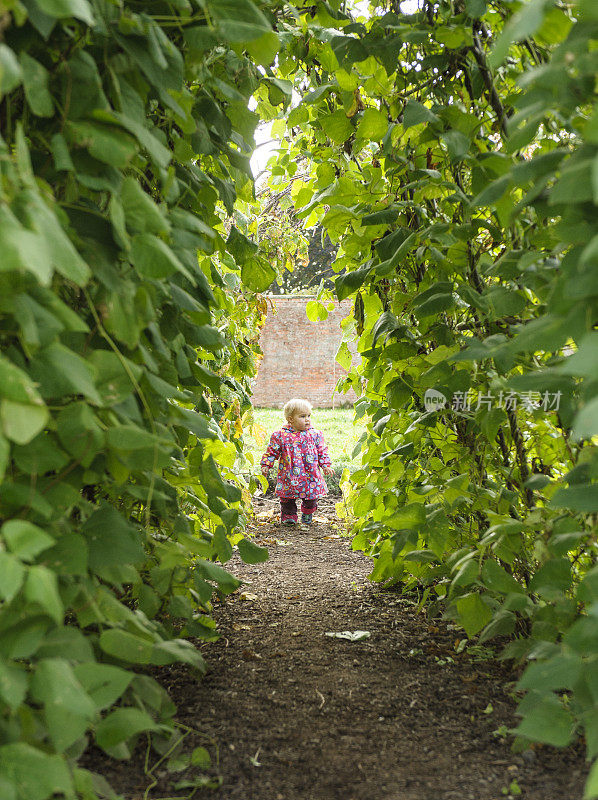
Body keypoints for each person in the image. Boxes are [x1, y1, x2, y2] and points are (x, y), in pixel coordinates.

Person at [260, 398, 334, 525]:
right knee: (287, 498)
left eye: (309, 416)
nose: (307, 419)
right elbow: (272, 451)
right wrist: (266, 464)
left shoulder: (315, 434)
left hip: (310, 474)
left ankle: (307, 513)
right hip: (289, 474)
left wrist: (326, 465)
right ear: (290, 419)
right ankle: (289, 516)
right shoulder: (280, 435)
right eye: (302, 416)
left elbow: (322, 451)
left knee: (311, 497)